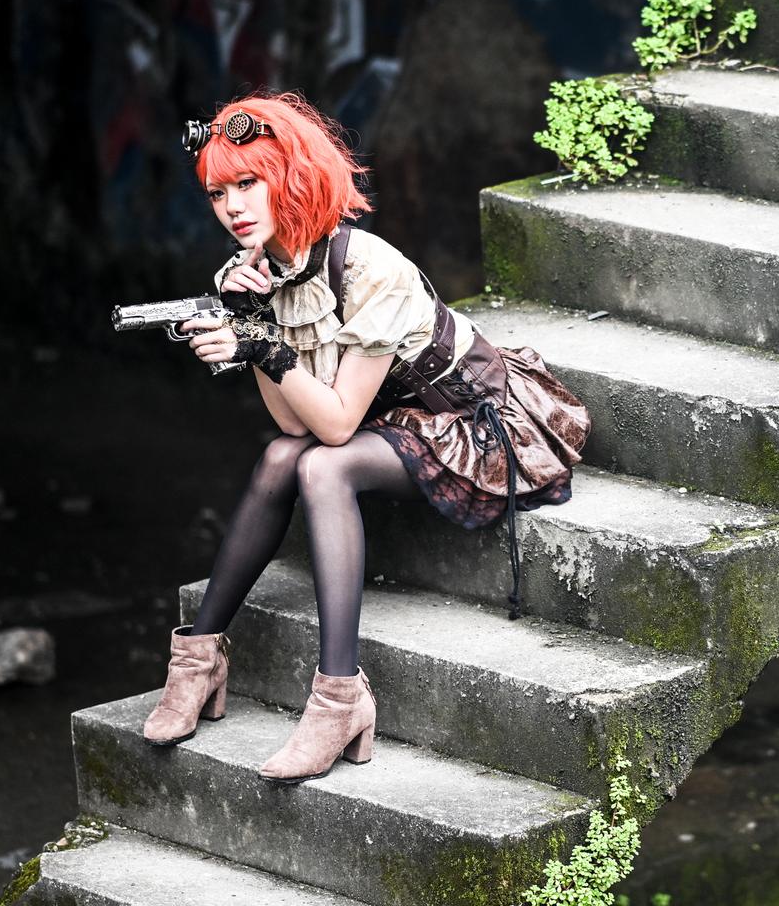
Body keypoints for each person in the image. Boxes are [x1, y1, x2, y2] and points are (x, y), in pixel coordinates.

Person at [139, 92, 590, 783]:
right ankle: (198, 659)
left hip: (468, 423)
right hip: (383, 417)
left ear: (290, 175)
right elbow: (294, 423)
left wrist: (258, 345)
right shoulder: (259, 272)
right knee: (282, 456)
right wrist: (252, 320)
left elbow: (336, 426)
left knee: (324, 469)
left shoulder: (370, 267)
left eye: (248, 182)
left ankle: (340, 697)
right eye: (218, 193)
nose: (233, 207)